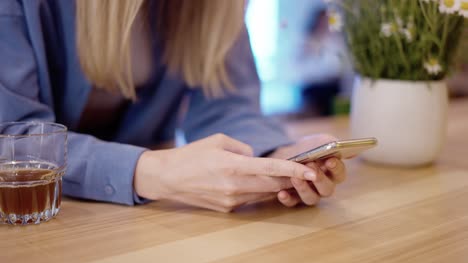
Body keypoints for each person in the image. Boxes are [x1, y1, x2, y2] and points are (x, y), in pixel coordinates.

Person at [0, 0, 347, 212]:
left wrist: (277, 156)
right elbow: (10, 141)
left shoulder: (213, 8)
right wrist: (153, 173)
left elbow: (228, 105)